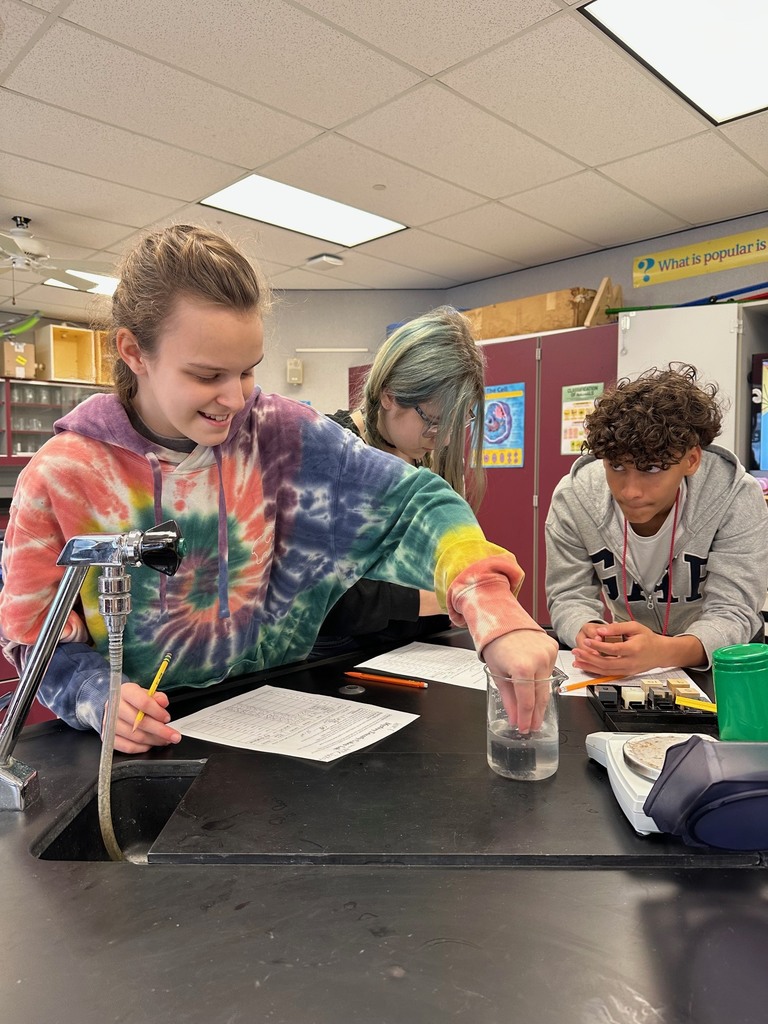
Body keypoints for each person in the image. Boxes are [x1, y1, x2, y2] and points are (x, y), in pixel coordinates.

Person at [0, 224, 556, 754]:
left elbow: (416, 503)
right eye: (206, 375)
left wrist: (491, 605)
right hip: (143, 745)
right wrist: (94, 695)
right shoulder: (62, 478)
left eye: (247, 371)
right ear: (133, 351)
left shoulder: (281, 436)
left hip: (276, 724)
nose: (236, 398)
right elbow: (35, 642)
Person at [545, 363, 768, 677]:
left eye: (651, 469)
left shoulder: (734, 496)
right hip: (630, 667)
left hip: (721, 668)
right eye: (616, 467)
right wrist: (590, 633)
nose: (631, 491)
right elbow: (569, 594)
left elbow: (734, 612)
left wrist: (663, 651)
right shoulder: (575, 497)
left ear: (691, 460)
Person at [312, 306, 485, 656]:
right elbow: (320, 595)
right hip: (337, 662)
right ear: (389, 395)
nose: (446, 440)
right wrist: (440, 598)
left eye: (459, 422)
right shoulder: (328, 456)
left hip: (419, 654)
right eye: (434, 421)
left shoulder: (423, 456)